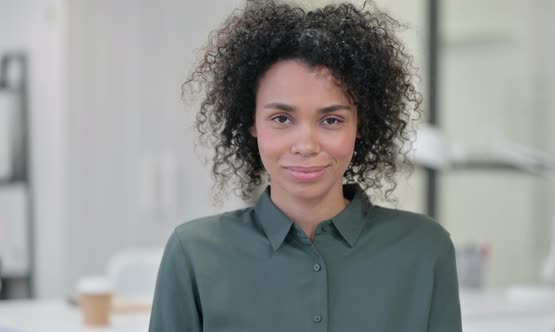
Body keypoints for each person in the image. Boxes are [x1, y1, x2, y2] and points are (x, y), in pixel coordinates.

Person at [149, 1, 462, 331]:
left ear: (361, 125)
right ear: (251, 122)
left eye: (331, 119)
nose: (306, 145)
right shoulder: (194, 253)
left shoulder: (424, 249)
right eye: (282, 118)